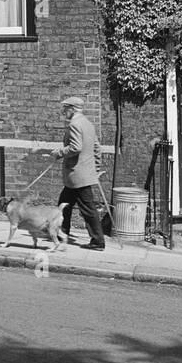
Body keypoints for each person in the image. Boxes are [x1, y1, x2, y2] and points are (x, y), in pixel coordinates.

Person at [52, 95, 105, 250]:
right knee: (64, 204)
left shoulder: (74, 124)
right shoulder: (88, 124)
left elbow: (76, 147)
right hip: (83, 173)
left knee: (87, 209)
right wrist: (95, 167)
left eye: (65, 109)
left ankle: (98, 241)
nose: (63, 112)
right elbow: (97, 148)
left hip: (77, 174)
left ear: (72, 109)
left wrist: (59, 152)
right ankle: (62, 232)